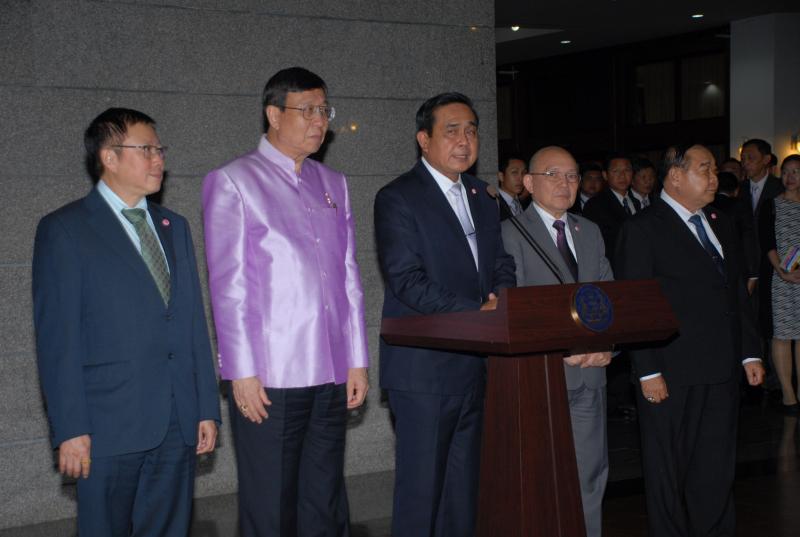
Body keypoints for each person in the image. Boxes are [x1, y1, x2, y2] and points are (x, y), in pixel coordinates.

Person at [32, 108, 220, 536]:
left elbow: (192, 325)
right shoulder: (65, 230)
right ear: (109, 157)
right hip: (106, 427)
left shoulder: (174, 226)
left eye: (160, 149)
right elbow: (58, 342)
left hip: (177, 420)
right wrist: (70, 429)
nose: (158, 159)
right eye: (146, 149)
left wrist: (205, 408)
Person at [202, 67, 369, 537]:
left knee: (325, 499)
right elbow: (229, 286)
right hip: (271, 376)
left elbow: (349, 277)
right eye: (307, 110)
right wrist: (241, 372)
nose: (319, 121)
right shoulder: (234, 181)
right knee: (271, 504)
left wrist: (357, 360)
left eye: (324, 110)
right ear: (274, 115)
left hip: (331, 370)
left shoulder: (334, 182)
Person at [374, 92, 516, 536]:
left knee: (463, 497)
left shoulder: (483, 196)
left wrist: (502, 299)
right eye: (451, 131)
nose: (464, 140)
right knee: (422, 497)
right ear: (424, 139)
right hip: (424, 372)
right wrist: (478, 312)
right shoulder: (398, 197)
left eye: (471, 130)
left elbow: (501, 263)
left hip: (475, 369)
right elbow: (407, 279)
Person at [616, 144, 764, 537]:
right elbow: (635, 305)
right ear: (676, 176)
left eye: (714, 170)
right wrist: (647, 371)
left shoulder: (719, 220)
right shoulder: (643, 228)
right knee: (668, 470)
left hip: (721, 367)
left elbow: (735, 291)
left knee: (716, 465)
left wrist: (749, 352)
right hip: (671, 371)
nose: (715, 178)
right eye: (705, 169)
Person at [501, 146, 612, 537]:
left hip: (590, 373)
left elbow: (610, 297)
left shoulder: (590, 231)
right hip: (541, 377)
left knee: (590, 474)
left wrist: (607, 346)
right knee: (540, 478)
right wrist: (560, 348)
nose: (565, 183)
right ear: (529, 183)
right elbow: (514, 308)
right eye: (553, 175)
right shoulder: (510, 233)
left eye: (572, 175)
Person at [760, 154, 800, 413]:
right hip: (781, 278)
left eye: (795, 171)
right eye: (785, 172)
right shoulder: (771, 205)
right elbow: (767, 242)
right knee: (783, 336)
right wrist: (782, 271)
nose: (790, 177)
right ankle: (788, 395)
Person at [583, 153, 639, 269]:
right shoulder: (595, 205)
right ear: (605, 175)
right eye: (616, 171)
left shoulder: (636, 202)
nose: (622, 176)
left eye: (627, 170)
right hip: (613, 269)